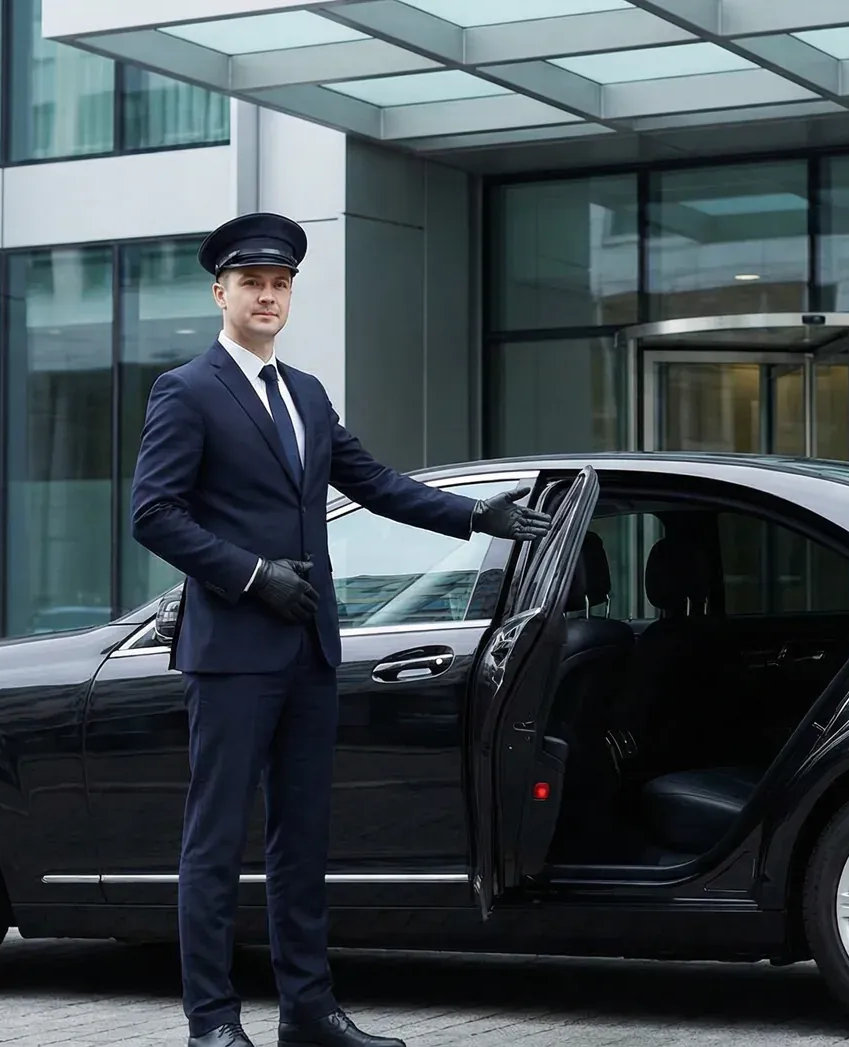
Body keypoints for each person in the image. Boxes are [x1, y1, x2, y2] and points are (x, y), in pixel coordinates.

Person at [130, 212, 552, 1047]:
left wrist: (480, 516)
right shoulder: (186, 390)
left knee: (303, 840)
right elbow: (154, 513)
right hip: (234, 654)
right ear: (221, 292)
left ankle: (308, 1011)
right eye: (252, 283)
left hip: (311, 650)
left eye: (280, 284)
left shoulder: (308, 394)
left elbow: (379, 484)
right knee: (214, 843)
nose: (268, 296)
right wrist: (252, 574)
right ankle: (211, 1023)